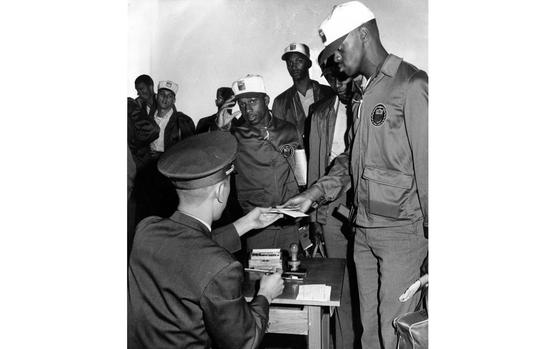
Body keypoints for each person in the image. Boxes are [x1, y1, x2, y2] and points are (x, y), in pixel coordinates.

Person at [282, 2, 428, 348]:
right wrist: (313, 194)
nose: (335, 61)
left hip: (400, 236)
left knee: (397, 332)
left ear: (363, 34)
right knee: (370, 330)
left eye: (339, 49)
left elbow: (432, 165)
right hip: (363, 232)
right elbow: (351, 159)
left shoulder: (411, 84)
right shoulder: (363, 96)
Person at [128, 131, 285, 349]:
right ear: (221, 191)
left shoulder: (146, 230)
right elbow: (245, 342)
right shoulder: (223, 267)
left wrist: (246, 224)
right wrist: (266, 295)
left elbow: (190, 250)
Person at [217, 74, 301, 251]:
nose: (247, 109)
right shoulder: (234, 136)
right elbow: (216, 165)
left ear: (266, 100)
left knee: (292, 273)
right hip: (257, 224)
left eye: (252, 101)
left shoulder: (288, 130)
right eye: (242, 104)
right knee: (260, 276)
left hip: (289, 220)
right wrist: (221, 131)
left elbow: (301, 172)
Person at [307, 52, 357, 349]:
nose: (338, 85)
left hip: (365, 211)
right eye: (331, 79)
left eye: (343, 77)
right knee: (339, 291)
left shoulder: (370, 109)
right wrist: (314, 217)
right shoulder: (320, 113)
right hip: (330, 209)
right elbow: (316, 167)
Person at [271, 43, 333, 148]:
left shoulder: (328, 93)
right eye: (289, 62)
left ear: (309, 63)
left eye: (299, 61)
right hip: (298, 158)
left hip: (326, 153)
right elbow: (278, 138)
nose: (293, 66)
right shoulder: (280, 102)